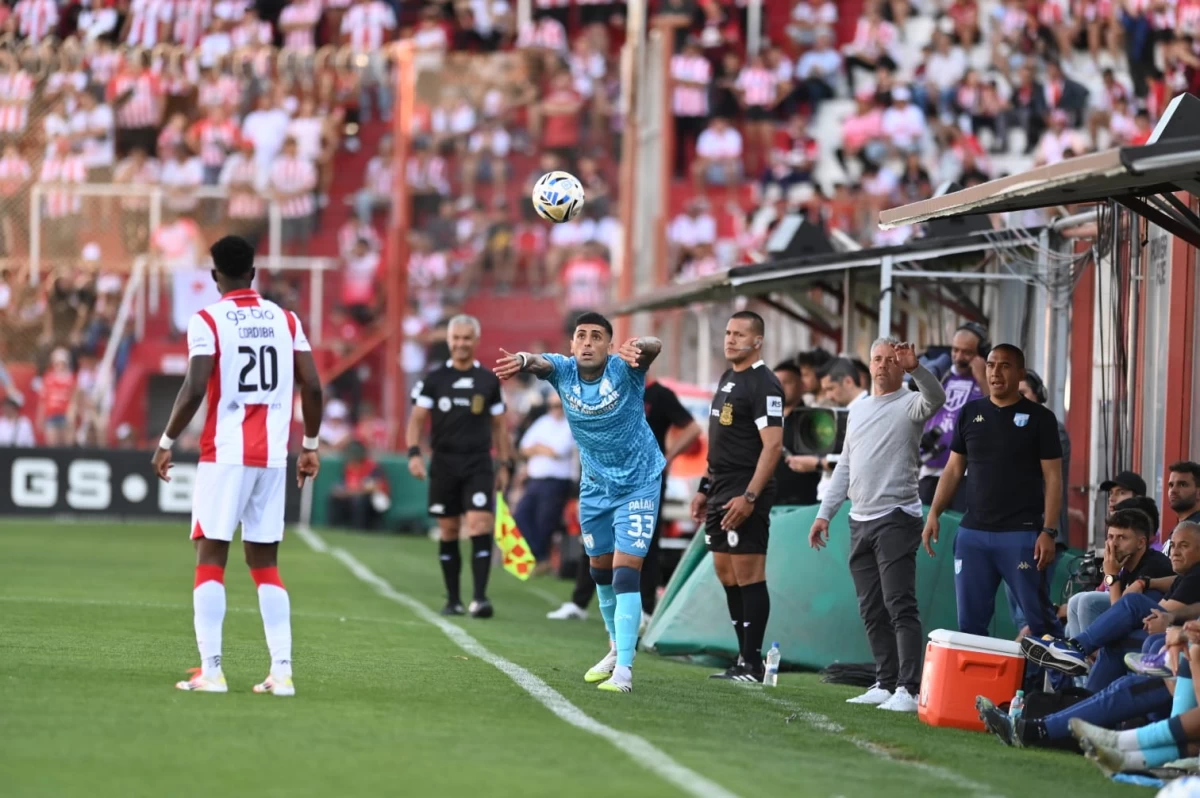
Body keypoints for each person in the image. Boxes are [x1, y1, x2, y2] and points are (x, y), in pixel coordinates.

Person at [151, 235, 323, 697]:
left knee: (211, 556)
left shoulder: (207, 319)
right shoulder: (286, 320)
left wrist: (166, 440)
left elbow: (193, 387)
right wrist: (309, 444)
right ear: (254, 271)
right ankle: (282, 674)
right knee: (265, 562)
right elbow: (313, 385)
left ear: (214, 276)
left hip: (225, 454)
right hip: (272, 456)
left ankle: (212, 671)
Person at [494, 312, 665, 694]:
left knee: (625, 574)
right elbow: (537, 362)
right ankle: (613, 647)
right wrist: (522, 360)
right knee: (600, 573)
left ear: (608, 344)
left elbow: (654, 348)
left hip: (639, 484)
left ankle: (624, 670)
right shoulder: (563, 370)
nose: (587, 343)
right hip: (594, 488)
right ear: (572, 344)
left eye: (596, 337)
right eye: (581, 336)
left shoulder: (625, 369)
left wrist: (641, 346)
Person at [809, 337, 946, 712]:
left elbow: (937, 398)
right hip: (859, 519)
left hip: (897, 517)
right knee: (871, 608)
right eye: (877, 359)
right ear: (869, 365)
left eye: (890, 359)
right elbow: (846, 467)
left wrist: (917, 367)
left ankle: (908, 687)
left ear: (900, 366)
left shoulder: (911, 403)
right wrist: (825, 514)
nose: (883, 365)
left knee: (900, 604)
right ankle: (885, 682)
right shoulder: (860, 409)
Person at [922, 343, 1064, 639]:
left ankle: (1058, 684)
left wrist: (1049, 531)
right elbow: (952, 469)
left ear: (1020, 372)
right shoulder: (970, 412)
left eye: (1005, 365)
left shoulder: (1041, 419)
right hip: (973, 533)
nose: (996, 372)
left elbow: (1053, 478)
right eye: (990, 365)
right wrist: (934, 512)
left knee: (1038, 622)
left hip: (1021, 534)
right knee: (970, 627)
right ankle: (978, 686)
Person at [547, 371, 701, 622]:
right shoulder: (613, 391)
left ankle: (646, 609)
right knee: (596, 539)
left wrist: (669, 457)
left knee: (645, 542)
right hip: (609, 477)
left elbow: (692, 429)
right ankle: (579, 603)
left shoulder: (660, 394)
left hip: (645, 479)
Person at [690, 311, 785, 683]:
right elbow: (720, 445)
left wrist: (750, 496)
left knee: (748, 573)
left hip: (745, 490)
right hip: (719, 488)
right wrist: (703, 487)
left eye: (739, 334)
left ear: (757, 341)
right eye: (728, 332)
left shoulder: (764, 384)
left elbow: (773, 446)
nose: (730, 339)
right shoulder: (729, 377)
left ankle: (752, 661)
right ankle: (743, 658)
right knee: (726, 573)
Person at [407, 315, 513, 619]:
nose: (461, 343)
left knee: (481, 524)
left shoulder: (488, 381)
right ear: (449, 341)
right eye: (456, 338)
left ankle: (479, 599)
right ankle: (453, 599)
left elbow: (499, 427)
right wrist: (414, 453)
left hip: (478, 462)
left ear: (476, 341)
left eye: (467, 338)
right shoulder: (434, 378)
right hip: (444, 462)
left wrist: (504, 464)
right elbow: (416, 419)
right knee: (449, 529)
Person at [1021, 521, 1200, 692]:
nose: (1175, 552)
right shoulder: (1184, 575)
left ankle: (1076, 650)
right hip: (1162, 630)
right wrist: (1145, 582)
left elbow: (1140, 609)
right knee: (1102, 625)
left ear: (1141, 542)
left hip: (1173, 635)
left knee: (1129, 605)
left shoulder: (1188, 573)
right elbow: (1173, 584)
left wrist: (1112, 576)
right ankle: (1083, 697)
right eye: (1173, 546)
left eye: (1183, 546)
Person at [1063, 505, 1173, 639]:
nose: (1113, 544)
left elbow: (1120, 616)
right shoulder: (1127, 564)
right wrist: (1111, 574)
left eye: (1121, 538)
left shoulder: (1155, 565)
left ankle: (1091, 654)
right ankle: (1079, 655)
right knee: (1075, 601)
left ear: (1141, 543)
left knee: (1088, 601)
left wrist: (1112, 575)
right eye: (1110, 537)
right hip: (1133, 625)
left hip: (1151, 635)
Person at [918, 323, 989, 510]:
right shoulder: (942, 375)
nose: (958, 357)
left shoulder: (988, 380)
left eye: (966, 352)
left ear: (981, 353)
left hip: (965, 475)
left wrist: (982, 377)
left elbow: (996, 413)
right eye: (955, 350)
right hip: (930, 469)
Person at [514, 392, 577, 568]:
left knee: (545, 521)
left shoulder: (570, 425)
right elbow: (524, 448)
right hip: (535, 479)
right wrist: (542, 449)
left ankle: (541, 558)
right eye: (552, 406)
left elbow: (557, 451)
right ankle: (538, 555)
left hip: (556, 481)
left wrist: (537, 448)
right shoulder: (542, 422)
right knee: (521, 516)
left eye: (558, 406)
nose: (555, 410)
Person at [773, 360, 822, 506]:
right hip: (769, 504)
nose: (780, 387)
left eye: (787, 382)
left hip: (802, 504)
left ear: (802, 386)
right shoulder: (765, 421)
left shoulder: (814, 420)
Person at [329, 439, 389, 531]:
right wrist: (340, 491)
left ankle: (359, 529)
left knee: (360, 501)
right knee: (334, 498)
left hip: (372, 501)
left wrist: (354, 491)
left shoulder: (372, 466)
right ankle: (335, 528)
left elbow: (377, 486)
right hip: (352, 495)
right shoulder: (348, 467)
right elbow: (343, 485)